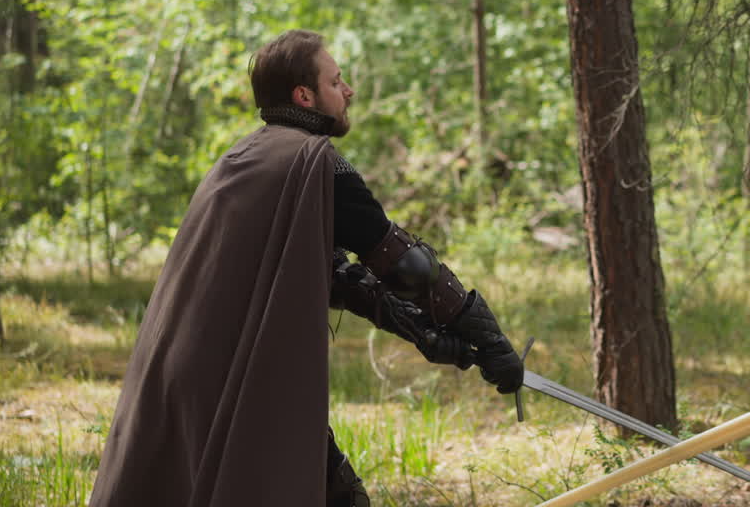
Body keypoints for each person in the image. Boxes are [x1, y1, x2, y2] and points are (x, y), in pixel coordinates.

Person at [89, 30, 523, 507]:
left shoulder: (242, 160)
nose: (349, 91)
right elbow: (404, 263)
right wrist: (487, 333)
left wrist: (421, 332)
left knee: (320, 487)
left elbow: (338, 274)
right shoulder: (315, 165)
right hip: (236, 367)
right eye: (336, 81)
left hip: (185, 363)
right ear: (305, 95)